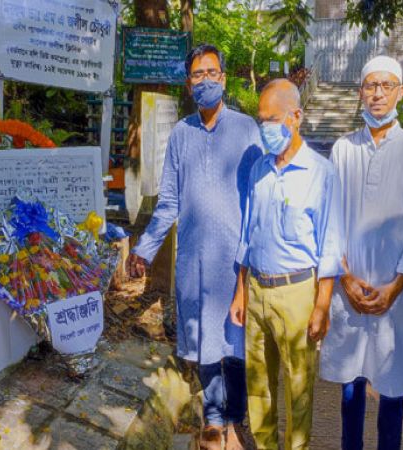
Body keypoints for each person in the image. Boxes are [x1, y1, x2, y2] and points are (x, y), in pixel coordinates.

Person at [126, 44, 262, 450]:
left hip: (235, 262)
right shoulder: (181, 134)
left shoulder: (247, 130)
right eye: (197, 75)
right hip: (194, 261)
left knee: (234, 344)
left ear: (224, 78)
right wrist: (144, 249)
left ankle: (236, 422)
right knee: (204, 340)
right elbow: (169, 200)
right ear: (189, 84)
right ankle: (214, 419)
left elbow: (258, 197)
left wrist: (253, 256)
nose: (205, 81)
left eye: (211, 72)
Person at [319, 55, 403, 450]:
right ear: (360, 93)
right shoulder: (343, 149)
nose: (378, 94)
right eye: (371, 85)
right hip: (350, 291)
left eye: (387, 86)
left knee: (391, 394)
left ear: (400, 92)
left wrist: (395, 286)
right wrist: (345, 278)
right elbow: (330, 219)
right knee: (350, 393)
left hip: (396, 297)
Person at [229, 78, 344, 450]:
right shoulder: (259, 170)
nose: (266, 127)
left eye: (272, 119)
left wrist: (322, 306)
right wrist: (240, 292)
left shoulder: (321, 173)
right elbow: (248, 234)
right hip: (257, 290)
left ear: (296, 117)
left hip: (297, 293)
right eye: (261, 119)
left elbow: (330, 243)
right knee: (258, 386)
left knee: (298, 388)